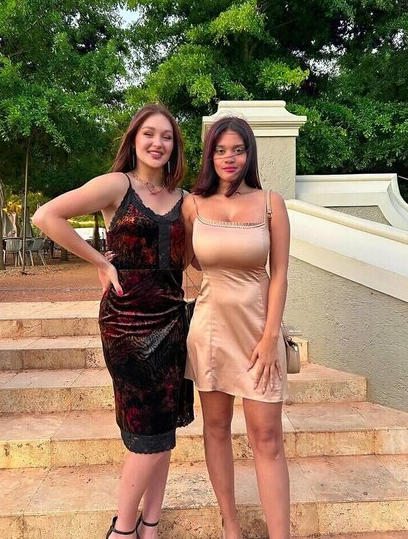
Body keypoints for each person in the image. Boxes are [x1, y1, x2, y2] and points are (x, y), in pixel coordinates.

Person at [33, 104, 194, 539]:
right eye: (149, 134)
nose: (158, 143)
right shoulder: (117, 185)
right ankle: (122, 530)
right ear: (134, 139)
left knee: (164, 427)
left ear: (175, 145)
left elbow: (192, 259)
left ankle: (150, 526)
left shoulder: (185, 199)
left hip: (173, 320)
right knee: (148, 430)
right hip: (126, 323)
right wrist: (101, 261)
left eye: (166, 136)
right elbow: (46, 216)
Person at [182, 116, 291, 539]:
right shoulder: (193, 205)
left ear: (250, 154)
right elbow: (187, 259)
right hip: (210, 330)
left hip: (258, 332)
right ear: (210, 155)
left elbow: (279, 275)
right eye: (220, 150)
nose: (229, 158)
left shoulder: (271, 204)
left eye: (238, 150)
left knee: (267, 437)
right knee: (216, 428)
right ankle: (231, 525)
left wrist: (270, 338)